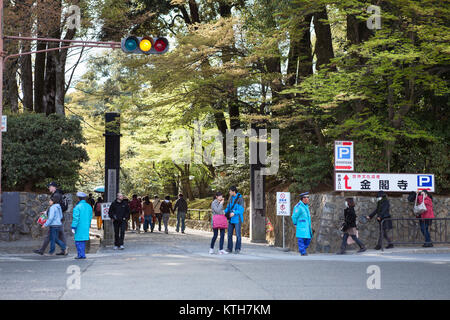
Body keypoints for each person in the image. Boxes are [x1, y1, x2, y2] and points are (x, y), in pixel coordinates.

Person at [33, 183, 68, 255]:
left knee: (52, 236)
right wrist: (47, 212)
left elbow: (54, 208)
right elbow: (55, 208)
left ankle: (62, 248)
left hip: (55, 220)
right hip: (58, 219)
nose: (48, 188)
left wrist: (46, 221)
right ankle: (63, 249)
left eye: (50, 187)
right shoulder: (57, 194)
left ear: (53, 187)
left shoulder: (56, 195)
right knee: (59, 234)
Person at [71, 192, 93, 259]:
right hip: (86, 225)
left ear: (78, 198)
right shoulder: (89, 206)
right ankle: (82, 254)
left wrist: (73, 226)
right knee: (83, 241)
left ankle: (80, 255)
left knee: (78, 241)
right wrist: (89, 224)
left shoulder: (77, 207)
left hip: (79, 226)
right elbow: (90, 217)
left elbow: (75, 218)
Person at [224, 186, 245, 254]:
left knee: (238, 235)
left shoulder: (240, 198)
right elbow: (228, 207)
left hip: (237, 219)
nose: (229, 192)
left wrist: (234, 213)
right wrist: (224, 211)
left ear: (233, 191)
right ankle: (229, 248)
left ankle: (237, 249)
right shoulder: (231, 198)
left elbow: (241, 209)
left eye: (230, 191)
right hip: (231, 219)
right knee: (229, 234)